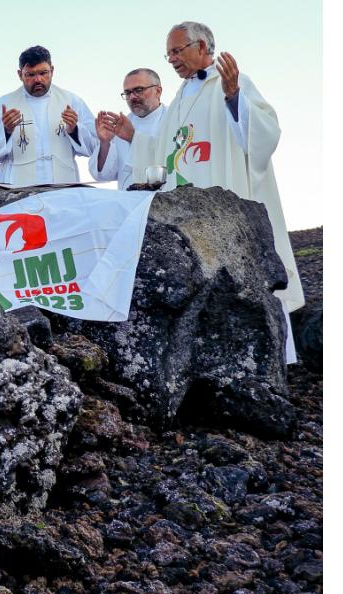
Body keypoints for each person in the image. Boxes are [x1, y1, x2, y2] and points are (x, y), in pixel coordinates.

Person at [125, 20, 304, 360]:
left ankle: (270, 359)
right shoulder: (179, 99)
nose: (173, 59)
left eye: (177, 51)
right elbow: (167, 148)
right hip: (192, 207)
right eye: (169, 54)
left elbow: (263, 134)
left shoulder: (232, 82)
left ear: (203, 47)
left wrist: (235, 97)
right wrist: (132, 139)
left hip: (229, 202)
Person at [0, 45, 98, 187]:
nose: (38, 80)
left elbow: (95, 148)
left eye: (43, 73)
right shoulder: (4, 104)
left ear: (52, 71)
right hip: (16, 188)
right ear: (20, 74)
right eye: (31, 75)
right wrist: (6, 131)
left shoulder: (72, 102)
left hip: (63, 186)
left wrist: (75, 130)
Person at [89, 69, 168, 190]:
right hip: (130, 202)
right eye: (127, 93)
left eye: (139, 90)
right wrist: (105, 143)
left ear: (158, 91)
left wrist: (133, 137)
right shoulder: (120, 126)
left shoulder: (173, 120)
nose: (132, 97)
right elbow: (103, 175)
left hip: (165, 201)